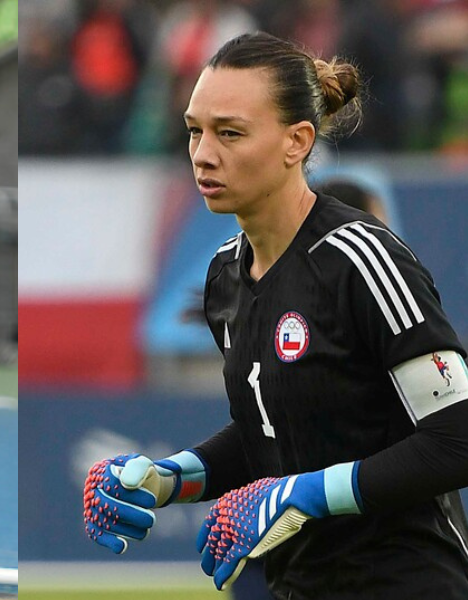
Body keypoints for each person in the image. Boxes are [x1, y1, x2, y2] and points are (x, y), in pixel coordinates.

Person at [83, 32, 468, 599]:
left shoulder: (362, 258)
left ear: (297, 142)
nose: (203, 153)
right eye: (195, 130)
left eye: (230, 133)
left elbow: (455, 440)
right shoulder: (223, 278)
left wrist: (299, 494)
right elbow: (268, 431)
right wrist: (169, 478)